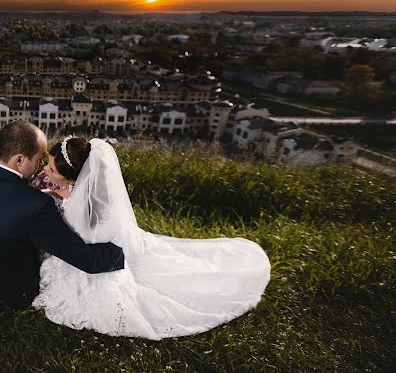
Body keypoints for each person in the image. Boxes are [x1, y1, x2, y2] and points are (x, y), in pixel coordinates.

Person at [32, 136, 272, 340]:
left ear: (75, 176)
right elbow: (65, 193)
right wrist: (53, 192)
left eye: (52, 170)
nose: (45, 171)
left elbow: (80, 234)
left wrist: (53, 199)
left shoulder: (92, 206)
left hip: (96, 252)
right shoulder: (77, 188)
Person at [0, 122, 125, 308]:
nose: (41, 166)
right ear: (19, 160)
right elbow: (88, 261)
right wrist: (124, 251)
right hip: (4, 292)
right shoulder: (36, 204)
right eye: (39, 159)